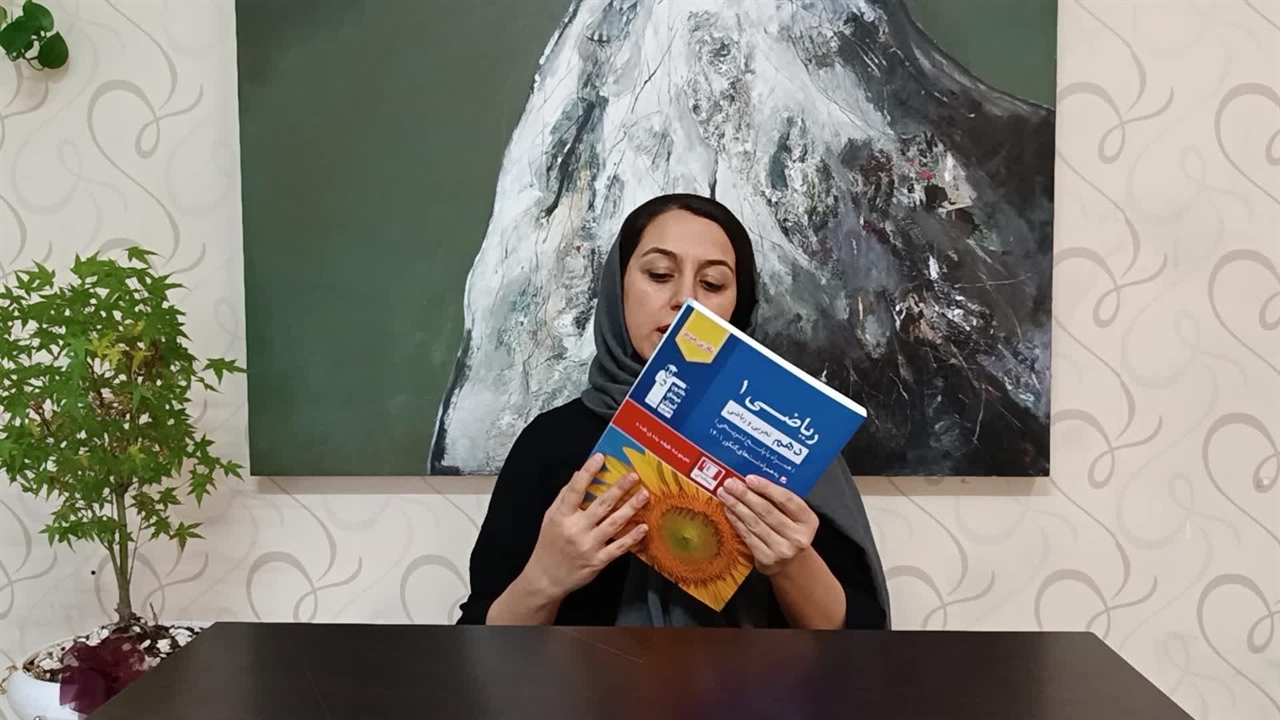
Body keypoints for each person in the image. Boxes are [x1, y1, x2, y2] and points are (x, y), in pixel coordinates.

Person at [457, 193, 890, 628]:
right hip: (584, 676)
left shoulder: (791, 443)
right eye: (659, 274)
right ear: (619, 289)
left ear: (739, 305)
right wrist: (545, 578)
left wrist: (791, 563)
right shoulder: (550, 441)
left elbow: (864, 639)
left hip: (760, 675)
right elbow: (479, 639)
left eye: (713, 284)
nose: (686, 299)